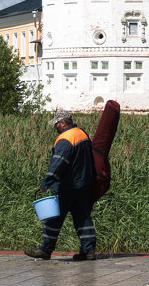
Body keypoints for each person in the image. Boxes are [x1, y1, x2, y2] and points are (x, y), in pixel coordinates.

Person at [25, 110, 97, 261]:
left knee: (53, 218)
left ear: (63, 123)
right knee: (82, 218)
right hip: (83, 184)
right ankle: (88, 251)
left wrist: (47, 181)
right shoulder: (81, 134)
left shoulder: (65, 138)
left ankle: (46, 249)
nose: (55, 127)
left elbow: (59, 161)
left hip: (67, 185)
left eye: (56, 124)